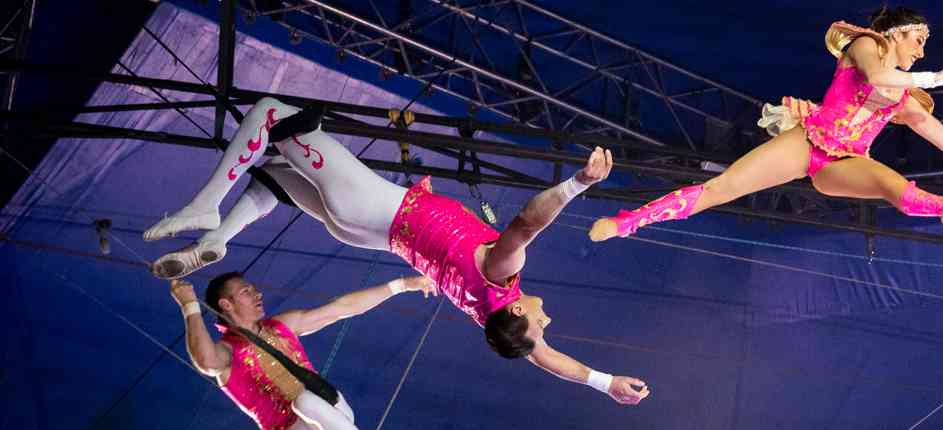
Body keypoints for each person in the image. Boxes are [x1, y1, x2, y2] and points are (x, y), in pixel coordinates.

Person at [146, 99, 650, 405]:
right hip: (369, 233)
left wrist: (577, 183)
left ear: (518, 311)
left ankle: (206, 208)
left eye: (541, 323)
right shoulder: (489, 315)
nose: (548, 319)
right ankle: (216, 240)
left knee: (272, 115)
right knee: (277, 174)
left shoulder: (502, 274)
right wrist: (605, 382)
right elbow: (546, 359)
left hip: (380, 211)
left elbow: (526, 224)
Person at [588, 6, 943, 242]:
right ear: (895, 34)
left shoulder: (905, 99)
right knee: (721, 189)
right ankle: (629, 221)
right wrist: (931, 77)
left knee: (893, 187)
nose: (921, 51)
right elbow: (876, 76)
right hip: (808, 141)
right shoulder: (866, 46)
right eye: (918, 40)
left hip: (843, 163)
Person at [171, 274, 436, 429]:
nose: (258, 294)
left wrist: (401, 285)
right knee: (303, 403)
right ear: (226, 305)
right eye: (246, 292)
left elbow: (342, 307)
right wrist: (190, 306)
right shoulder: (227, 351)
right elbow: (206, 361)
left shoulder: (281, 326)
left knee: (307, 401)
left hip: (332, 412)